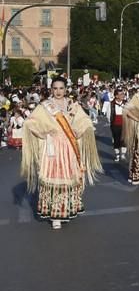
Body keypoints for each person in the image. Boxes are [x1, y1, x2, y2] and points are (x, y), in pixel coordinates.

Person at [20, 76, 102, 229]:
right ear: (51, 89)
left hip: (70, 146)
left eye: (61, 88)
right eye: (55, 88)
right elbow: (30, 122)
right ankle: (55, 215)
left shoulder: (73, 105)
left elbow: (85, 120)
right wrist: (43, 132)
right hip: (52, 147)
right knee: (53, 177)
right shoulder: (45, 106)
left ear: (66, 89)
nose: (58, 91)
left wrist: (79, 129)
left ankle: (67, 209)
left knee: (69, 177)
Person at [104, 88, 128, 162]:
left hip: (124, 124)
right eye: (121, 94)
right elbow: (108, 115)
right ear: (116, 96)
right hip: (115, 125)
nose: (123, 95)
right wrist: (112, 123)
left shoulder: (126, 103)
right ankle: (117, 155)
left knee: (124, 139)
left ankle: (123, 154)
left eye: (123, 94)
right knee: (116, 140)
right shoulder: (111, 104)